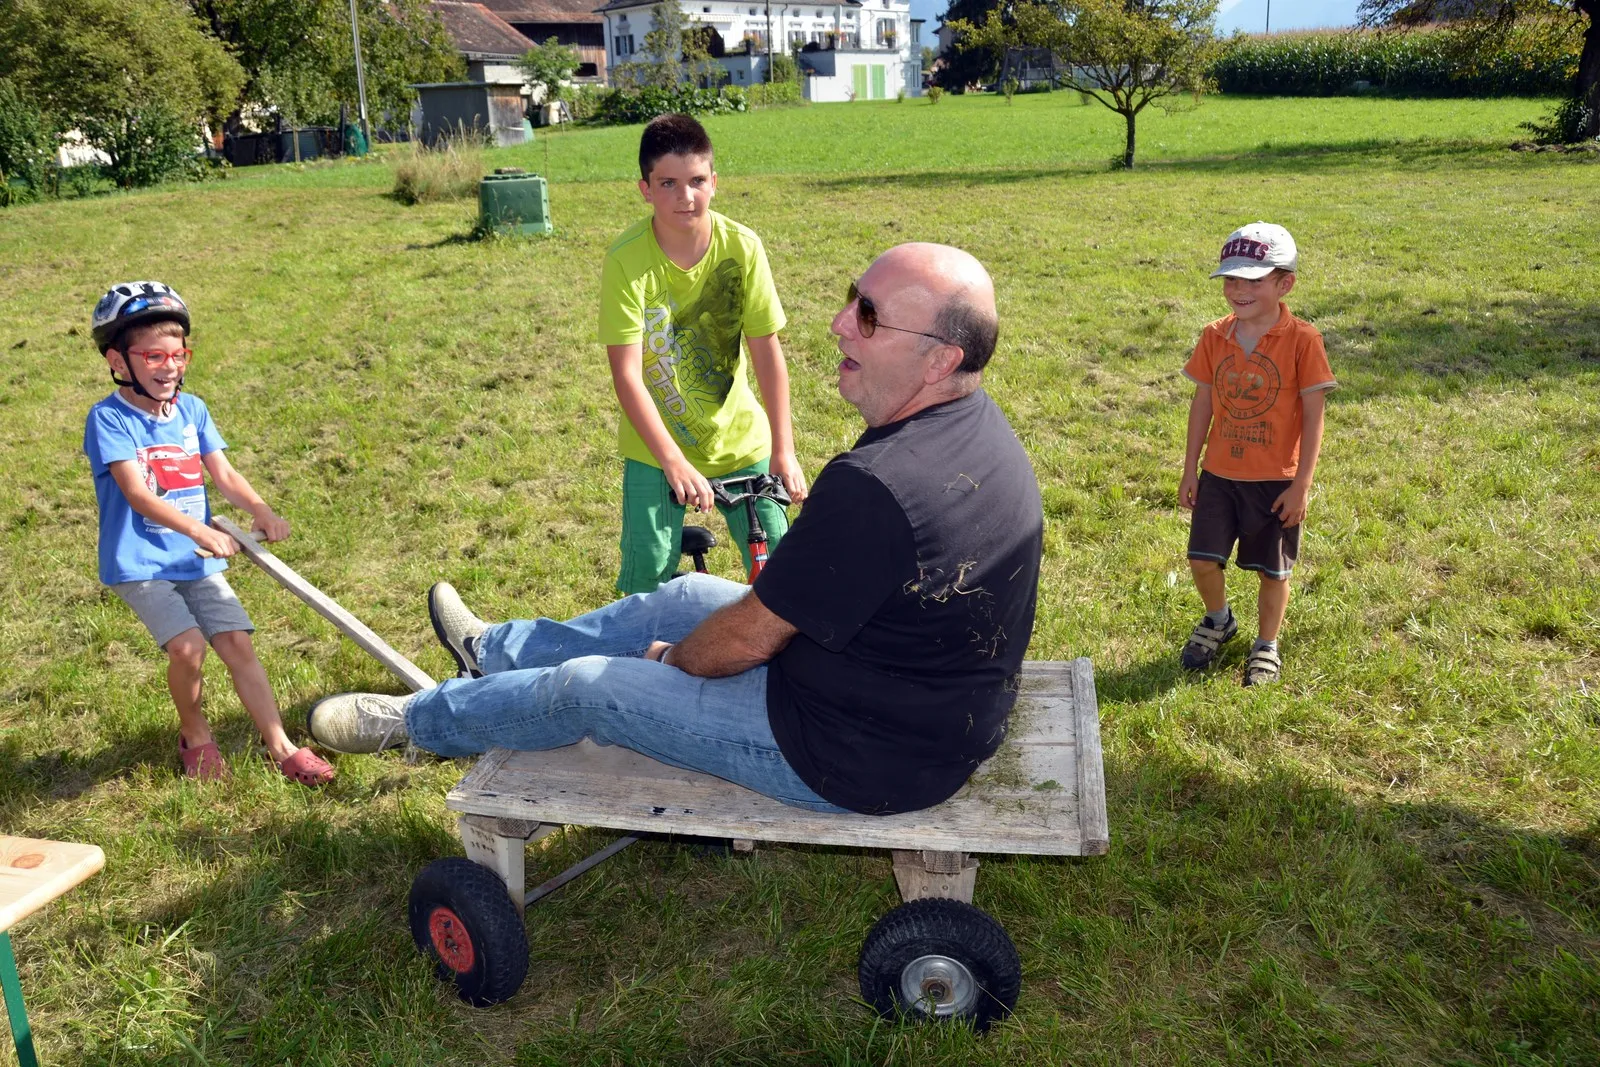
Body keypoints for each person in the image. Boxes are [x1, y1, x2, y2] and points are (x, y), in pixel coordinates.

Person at [308, 243, 1044, 817]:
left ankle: (422, 722)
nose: (839, 322)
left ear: (941, 359)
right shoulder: (977, 428)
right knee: (682, 593)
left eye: (870, 316)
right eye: (854, 297)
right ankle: (492, 651)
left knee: (590, 689)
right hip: (908, 708)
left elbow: (747, 640)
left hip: (851, 754)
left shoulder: (878, 485)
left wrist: (673, 660)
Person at [83, 282, 336, 786]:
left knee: (237, 643)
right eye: (153, 356)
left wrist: (260, 509)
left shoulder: (192, 410)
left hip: (195, 557)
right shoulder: (109, 418)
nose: (169, 367)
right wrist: (200, 529)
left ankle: (282, 746)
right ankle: (195, 735)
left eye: (178, 355)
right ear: (117, 360)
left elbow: (224, 473)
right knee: (188, 647)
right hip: (140, 562)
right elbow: (137, 494)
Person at [598, 112, 807, 594]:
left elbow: (767, 353)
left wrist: (784, 450)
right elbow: (627, 375)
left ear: (714, 182)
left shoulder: (743, 247)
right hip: (655, 446)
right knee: (647, 575)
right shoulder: (627, 259)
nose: (685, 196)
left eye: (696, 181)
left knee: (782, 569)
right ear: (645, 190)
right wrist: (672, 461)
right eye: (667, 183)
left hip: (740, 439)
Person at [1177, 223, 1337, 686]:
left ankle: (1266, 644)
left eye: (1253, 280)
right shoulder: (1214, 335)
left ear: (1285, 284)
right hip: (1219, 474)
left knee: (1274, 572)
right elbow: (1202, 402)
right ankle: (1219, 619)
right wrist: (1190, 469)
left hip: (1276, 480)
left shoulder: (1304, 340)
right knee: (1202, 560)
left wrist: (1301, 485)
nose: (1238, 290)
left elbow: (1314, 416)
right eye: (1230, 279)